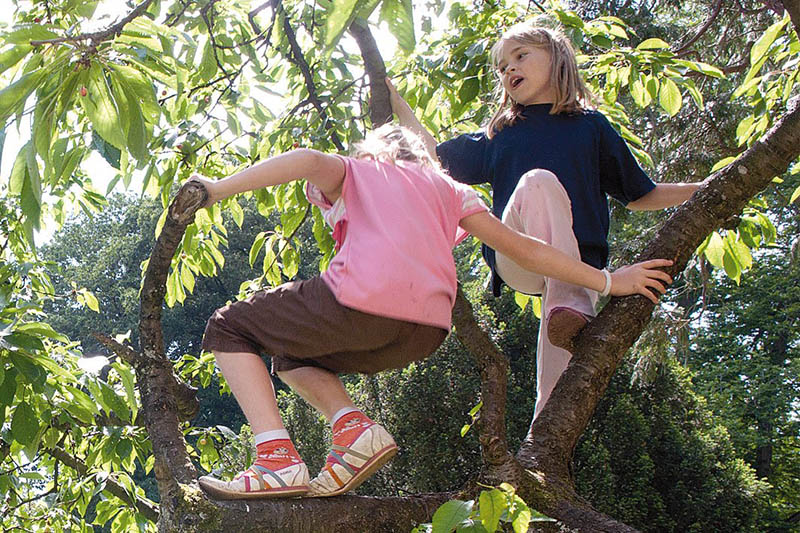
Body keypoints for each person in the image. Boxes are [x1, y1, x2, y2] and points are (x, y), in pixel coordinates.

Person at [191, 124, 673, 500]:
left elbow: (304, 160)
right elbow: (525, 249)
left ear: (371, 153)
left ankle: (275, 458)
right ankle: (353, 430)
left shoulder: (361, 171)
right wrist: (610, 280)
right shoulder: (450, 191)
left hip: (359, 299)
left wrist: (217, 188)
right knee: (292, 355)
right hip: (422, 332)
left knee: (228, 326)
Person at [386, 21, 701, 419]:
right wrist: (396, 102)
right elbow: (434, 157)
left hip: (577, 269)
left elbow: (642, 195)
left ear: (557, 59)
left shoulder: (592, 127)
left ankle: (540, 446)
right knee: (538, 183)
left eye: (520, 56)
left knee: (555, 381)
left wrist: (706, 188)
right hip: (517, 256)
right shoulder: (502, 132)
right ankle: (570, 302)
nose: (508, 69)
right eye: (501, 66)